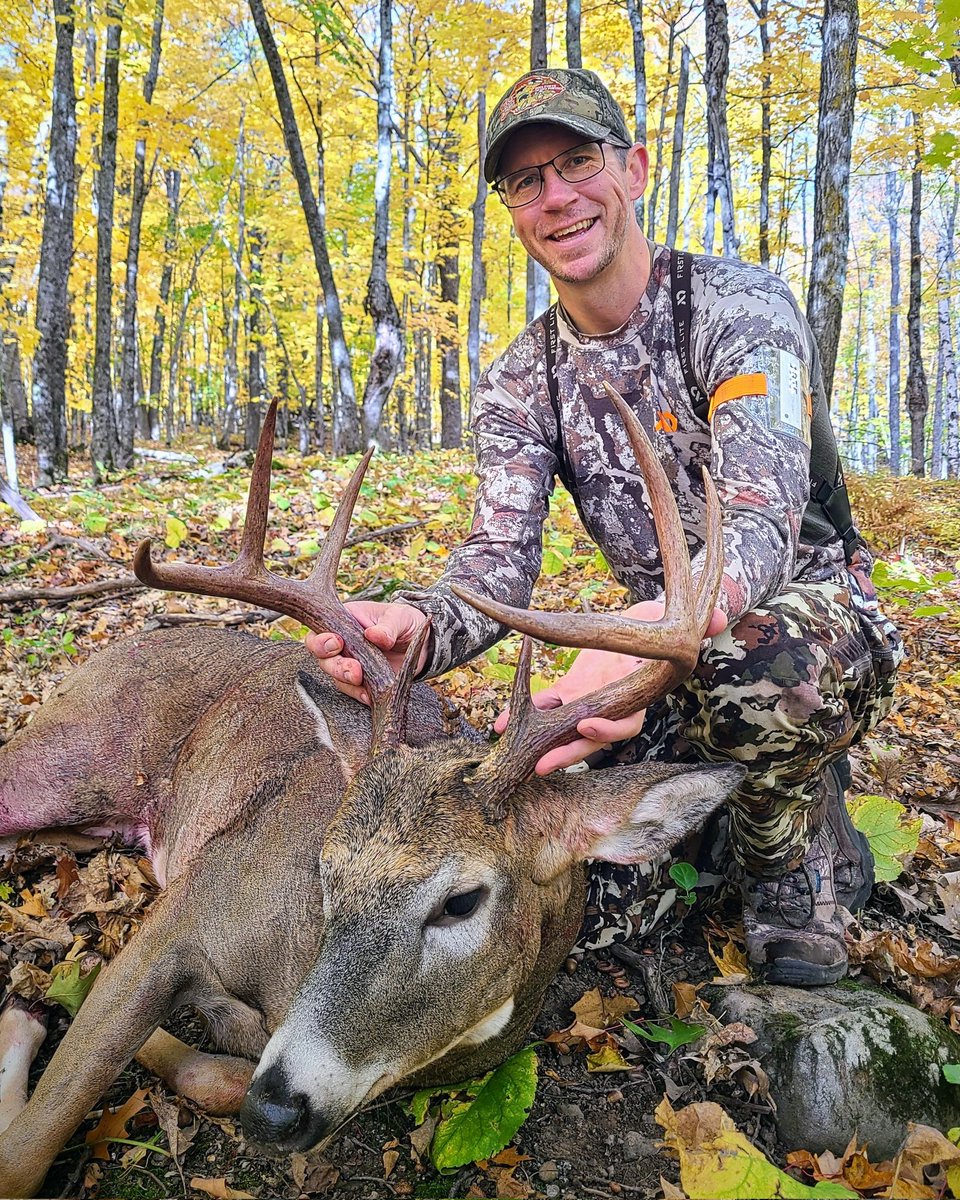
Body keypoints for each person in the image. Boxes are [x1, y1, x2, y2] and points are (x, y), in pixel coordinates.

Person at [307, 68, 903, 987]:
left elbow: (758, 522)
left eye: (576, 162)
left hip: (808, 618)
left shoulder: (738, 310)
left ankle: (798, 844)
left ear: (633, 169)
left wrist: (636, 641)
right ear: (511, 211)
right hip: (656, 646)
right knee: (585, 912)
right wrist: (419, 629)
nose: (556, 197)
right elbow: (497, 560)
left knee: (751, 673)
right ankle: (727, 802)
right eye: (524, 182)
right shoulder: (521, 380)